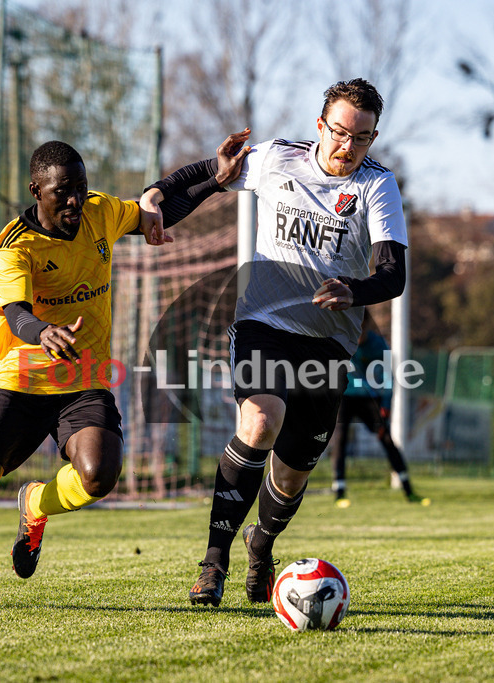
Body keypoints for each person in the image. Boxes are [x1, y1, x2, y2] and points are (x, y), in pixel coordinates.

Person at [0, 140, 212, 610]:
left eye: (81, 188)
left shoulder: (100, 212)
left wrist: (216, 174)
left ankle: (35, 504)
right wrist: (43, 331)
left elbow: (157, 207)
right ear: (36, 190)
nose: (75, 200)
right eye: (62, 191)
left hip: (85, 377)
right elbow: (15, 313)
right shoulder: (13, 247)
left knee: (99, 475)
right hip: (22, 379)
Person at [141, 78, 408, 607]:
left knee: (291, 474)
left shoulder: (378, 186)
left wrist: (354, 290)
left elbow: (393, 275)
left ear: (373, 138)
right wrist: (152, 195)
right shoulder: (279, 159)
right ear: (320, 125)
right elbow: (211, 173)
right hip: (263, 326)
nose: (347, 146)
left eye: (361, 137)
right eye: (339, 132)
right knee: (260, 421)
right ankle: (213, 565)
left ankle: (260, 546)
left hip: (328, 345)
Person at [328, 312, 426, 507]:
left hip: (369, 399)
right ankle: (339, 491)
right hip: (345, 397)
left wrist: (386, 405)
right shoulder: (340, 340)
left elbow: (388, 378)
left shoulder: (378, 344)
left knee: (387, 439)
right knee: (339, 440)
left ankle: (408, 489)